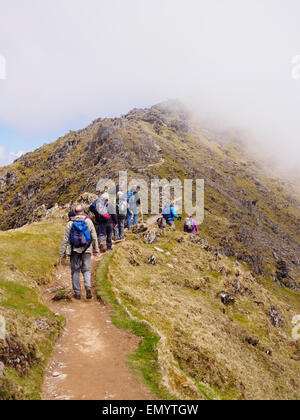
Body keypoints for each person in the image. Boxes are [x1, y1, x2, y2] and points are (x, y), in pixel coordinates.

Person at [60, 205, 99, 300]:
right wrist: (96, 250)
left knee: (75, 271)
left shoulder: (70, 223)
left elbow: (65, 240)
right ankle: (87, 286)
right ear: (83, 212)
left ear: (74, 212)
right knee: (86, 270)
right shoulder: (88, 221)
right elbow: (94, 236)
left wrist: (62, 254)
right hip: (87, 250)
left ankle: (77, 293)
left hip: (74, 250)